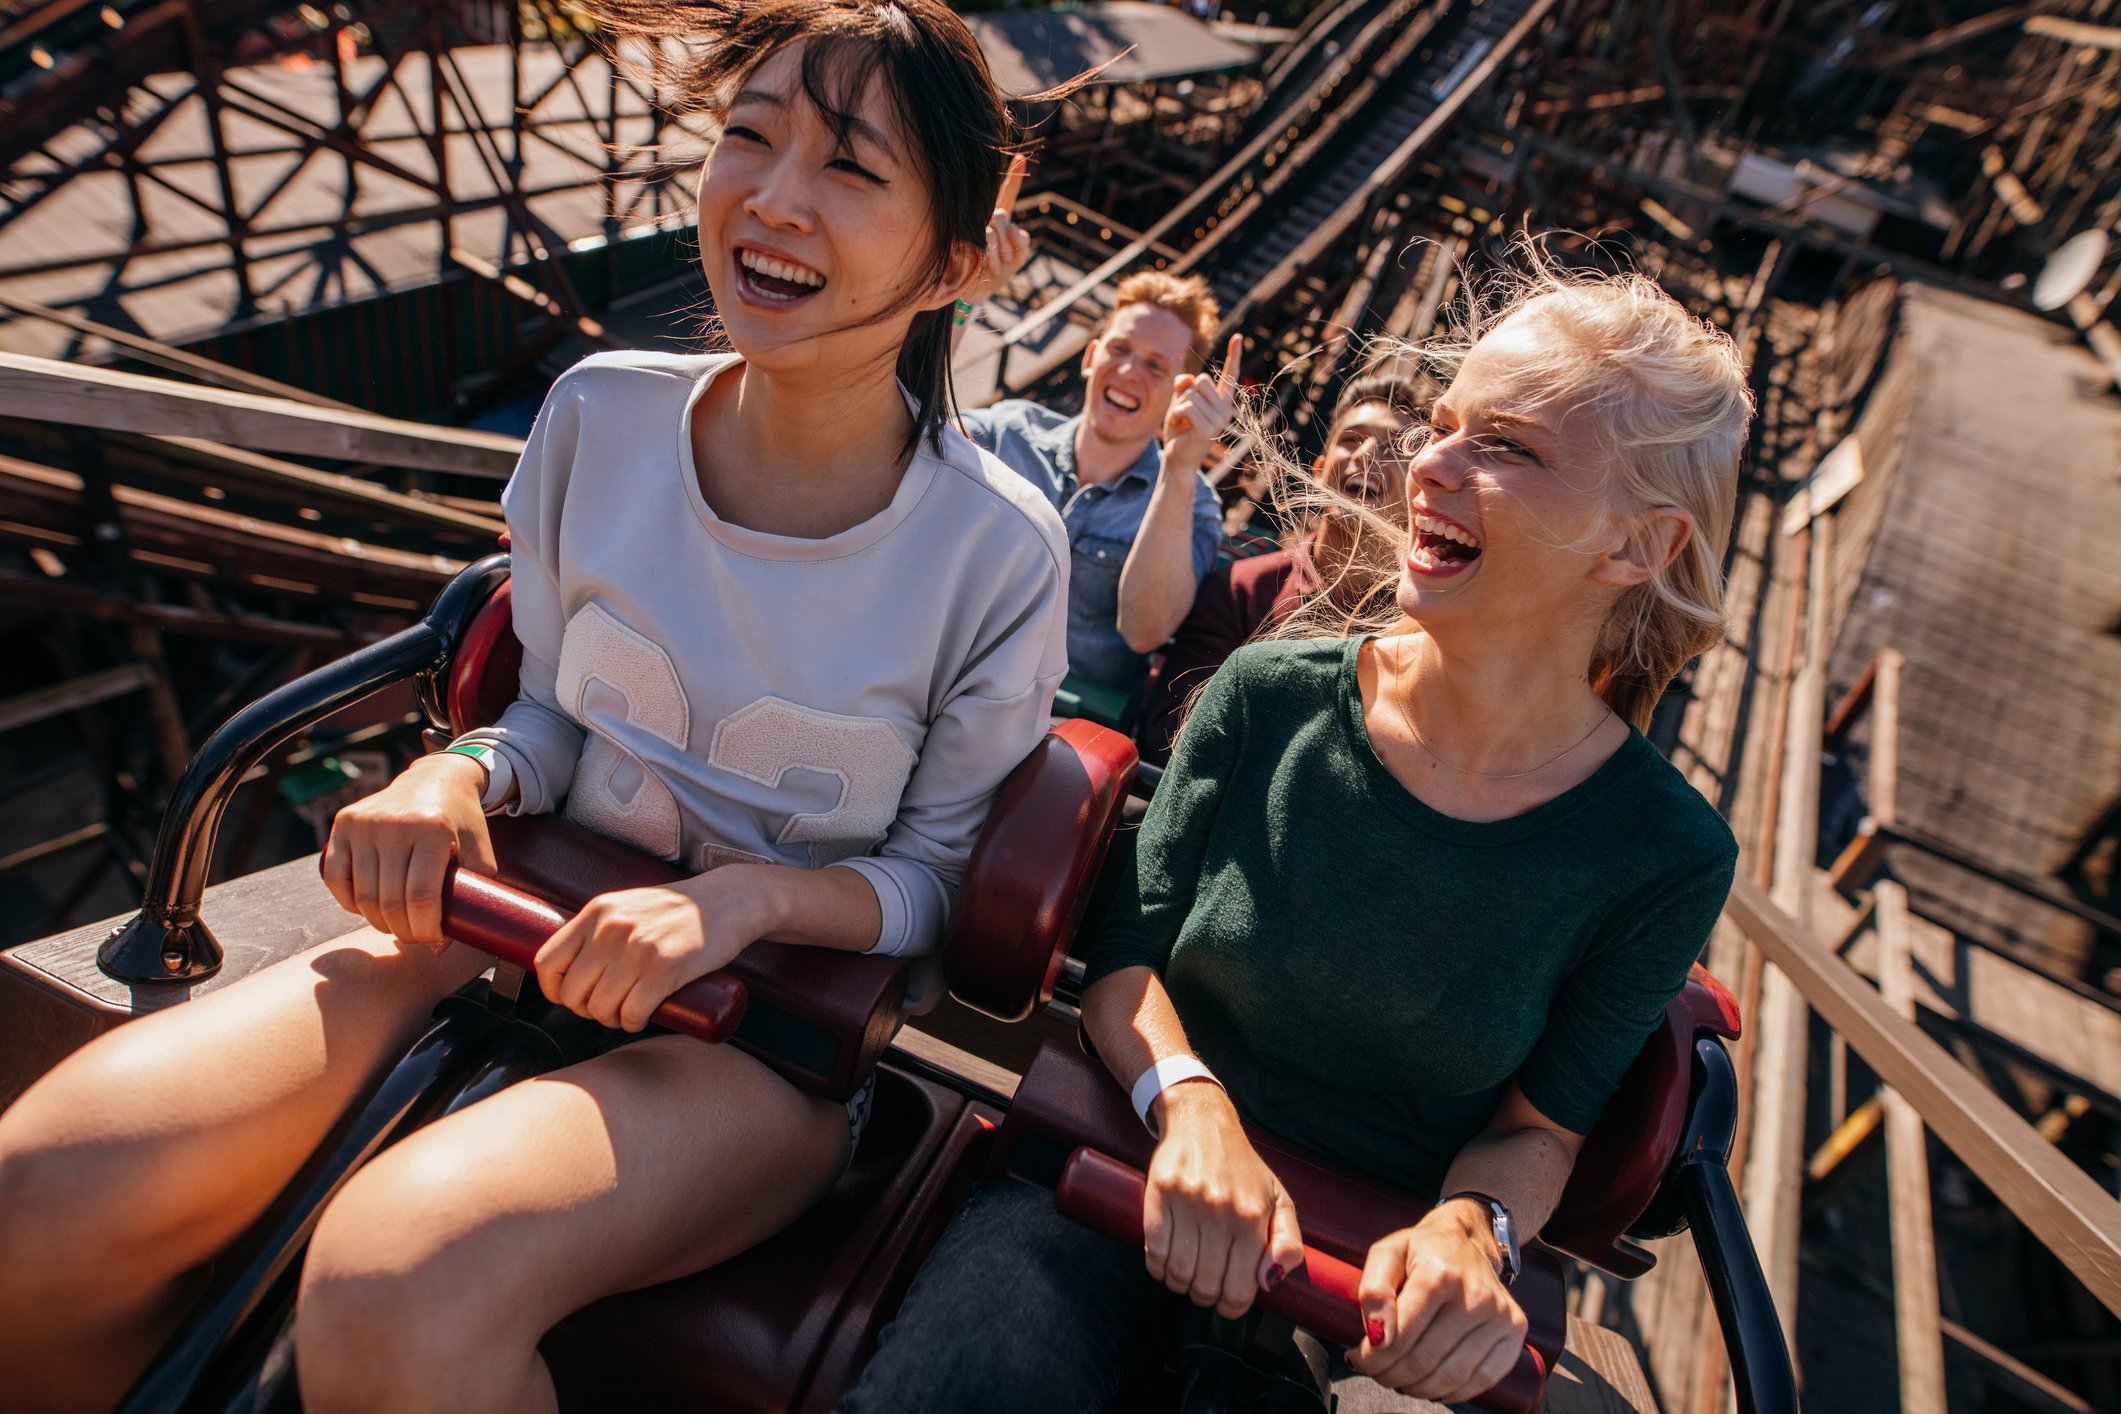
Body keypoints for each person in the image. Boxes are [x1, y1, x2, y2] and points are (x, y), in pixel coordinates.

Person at [0, 5, 1078, 1413]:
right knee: (48, 1186)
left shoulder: (993, 550)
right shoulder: (600, 416)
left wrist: (745, 904)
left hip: (759, 1041)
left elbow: (934, 887)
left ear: (948, 263)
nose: (770, 196)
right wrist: (461, 774)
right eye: (748, 136)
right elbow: (560, 714)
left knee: (399, 1279)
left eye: (850, 170)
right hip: (514, 921)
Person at [839, 259, 1754, 1413]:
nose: (1429, 463)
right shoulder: (1269, 692)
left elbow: (1540, 1125)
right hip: (1130, 1166)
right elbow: (1124, 962)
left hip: (1355, 1285)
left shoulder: (1663, 855)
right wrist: (1196, 1110)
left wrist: (1475, 1232)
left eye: (1507, 447)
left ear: (1640, 546)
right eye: (1444, 423)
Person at [958, 216, 1242, 701]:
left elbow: (1145, 632)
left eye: (1156, 365)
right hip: (948, 676)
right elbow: (910, 430)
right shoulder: (1010, 432)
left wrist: (1180, 466)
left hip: (1065, 727)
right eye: (1119, 348)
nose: (1129, 371)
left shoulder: (1190, 501)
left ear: (1182, 392)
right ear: (1090, 356)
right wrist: (967, 296)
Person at [1138, 369, 1433, 761]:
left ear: (1422, 491)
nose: (1365, 456)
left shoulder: (1422, 630)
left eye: (1396, 447)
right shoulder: (1242, 590)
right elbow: (1170, 736)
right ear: (1319, 470)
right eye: (1352, 439)